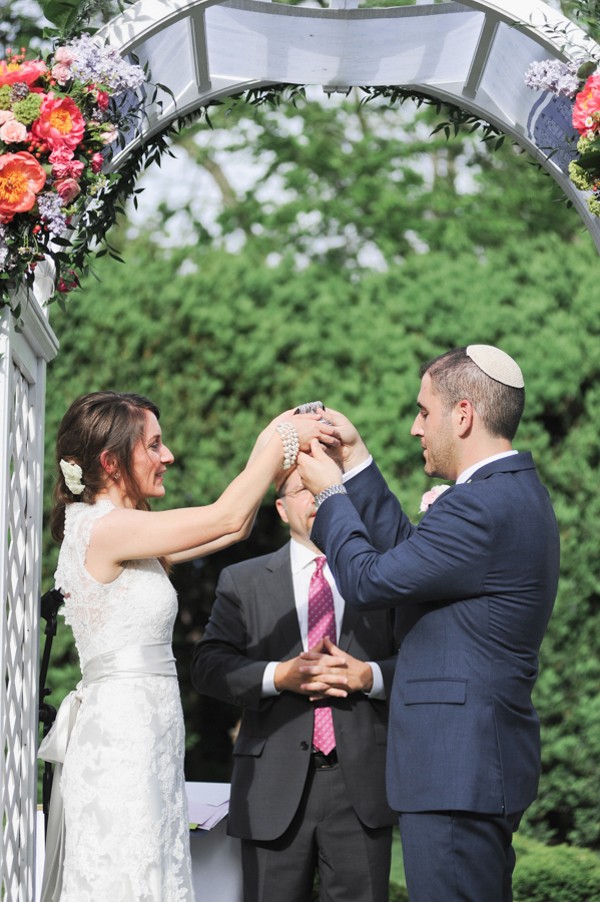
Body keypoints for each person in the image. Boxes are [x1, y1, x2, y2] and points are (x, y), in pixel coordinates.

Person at [38, 391, 335, 902]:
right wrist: (277, 436)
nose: (168, 455)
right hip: (121, 739)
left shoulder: (129, 532)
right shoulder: (102, 528)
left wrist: (281, 452)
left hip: (148, 733)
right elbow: (224, 515)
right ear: (110, 462)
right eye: (153, 445)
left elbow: (235, 526)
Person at [295, 346, 560, 902]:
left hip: (455, 771)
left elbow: (368, 583)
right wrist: (358, 464)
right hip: (467, 768)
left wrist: (330, 494)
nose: (416, 428)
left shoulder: (482, 506)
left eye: (424, 411)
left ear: (463, 415)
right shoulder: (506, 494)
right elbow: (410, 561)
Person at [190, 465, 399, 902]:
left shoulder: (383, 572)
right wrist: (279, 676)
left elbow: (423, 660)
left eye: (327, 487)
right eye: (303, 489)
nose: (317, 497)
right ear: (282, 509)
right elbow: (208, 666)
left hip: (360, 785)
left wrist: (370, 677)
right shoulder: (243, 581)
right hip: (271, 786)